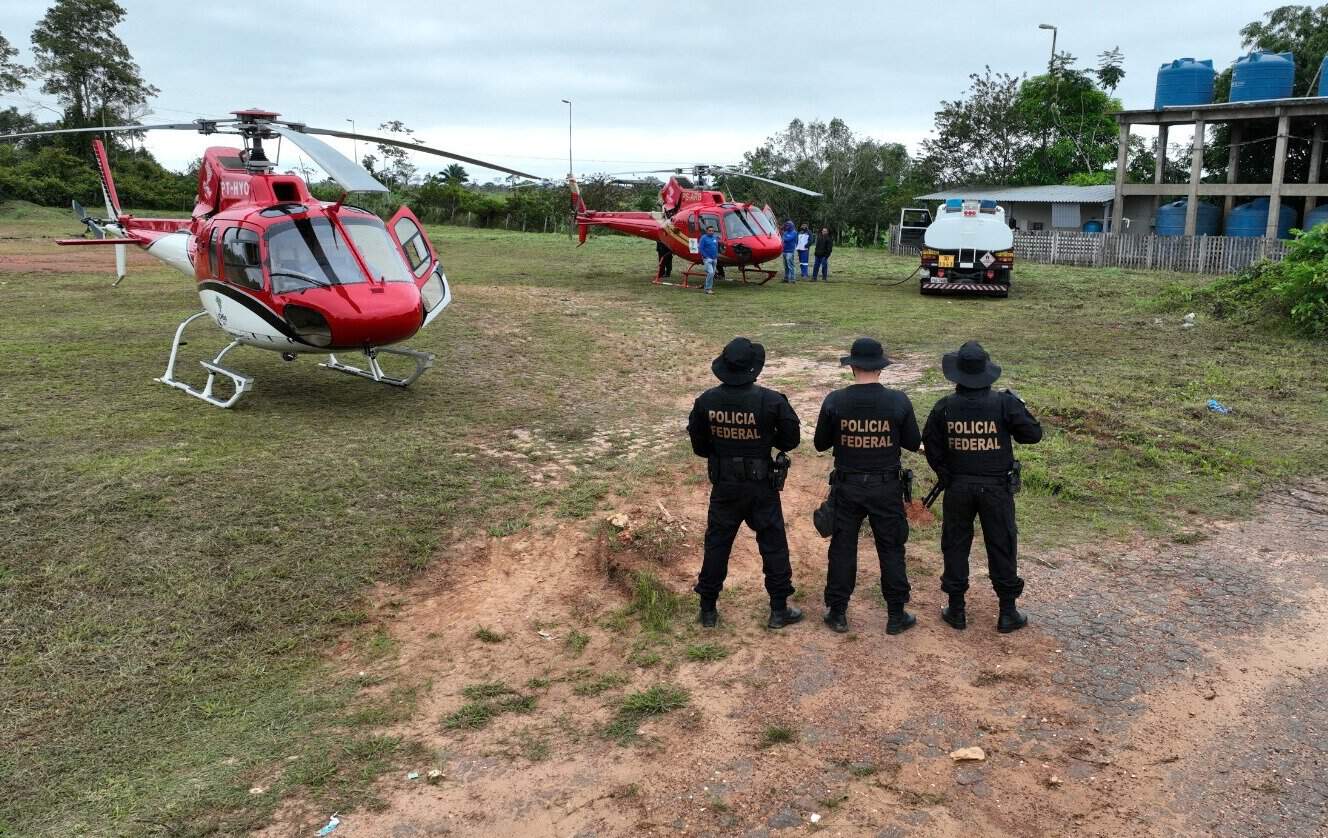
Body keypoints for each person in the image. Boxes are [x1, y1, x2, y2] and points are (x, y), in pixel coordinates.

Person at [922, 341, 1043, 633]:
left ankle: (957, 609)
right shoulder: (1004, 403)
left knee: (955, 545)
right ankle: (1007, 612)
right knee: (1002, 544)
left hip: (958, 488)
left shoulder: (944, 407)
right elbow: (1033, 435)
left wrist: (945, 473)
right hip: (996, 490)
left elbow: (931, 446)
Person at [688, 337, 803, 630]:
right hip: (760, 485)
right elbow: (790, 440)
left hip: (725, 485)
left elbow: (700, 446)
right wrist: (765, 438)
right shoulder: (772, 400)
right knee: (773, 544)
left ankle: (708, 609)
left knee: (717, 543)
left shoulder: (706, 401)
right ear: (754, 368)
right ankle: (779, 609)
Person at [813, 338, 922, 635]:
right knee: (891, 548)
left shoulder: (835, 400)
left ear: (853, 367)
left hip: (847, 487)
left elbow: (820, 444)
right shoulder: (898, 401)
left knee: (842, 548)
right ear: (880, 368)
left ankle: (837, 613)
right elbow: (913, 442)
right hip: (886, 487)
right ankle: (896, 614)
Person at [698, 225, 720, 295]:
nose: (711, 232)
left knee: (712, 274)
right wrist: (706, 257)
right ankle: (707, 289)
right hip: (707, 259)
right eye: (709, 231)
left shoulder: (714, 238)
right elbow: (701, 248)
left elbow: (716, 247)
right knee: (710, 273)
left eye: (712, 231)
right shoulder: (703, 238)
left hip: (714, 259)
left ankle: (707, 287)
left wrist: (716, 255)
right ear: (706, 231)